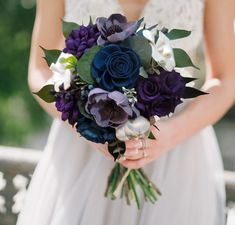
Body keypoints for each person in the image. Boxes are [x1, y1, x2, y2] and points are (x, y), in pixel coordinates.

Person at [17, 0, 235, 224]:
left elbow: (227, 80)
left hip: (177, 150)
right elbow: (39, 69)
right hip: (83, 147)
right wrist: (87, 127)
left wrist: (167, 136)